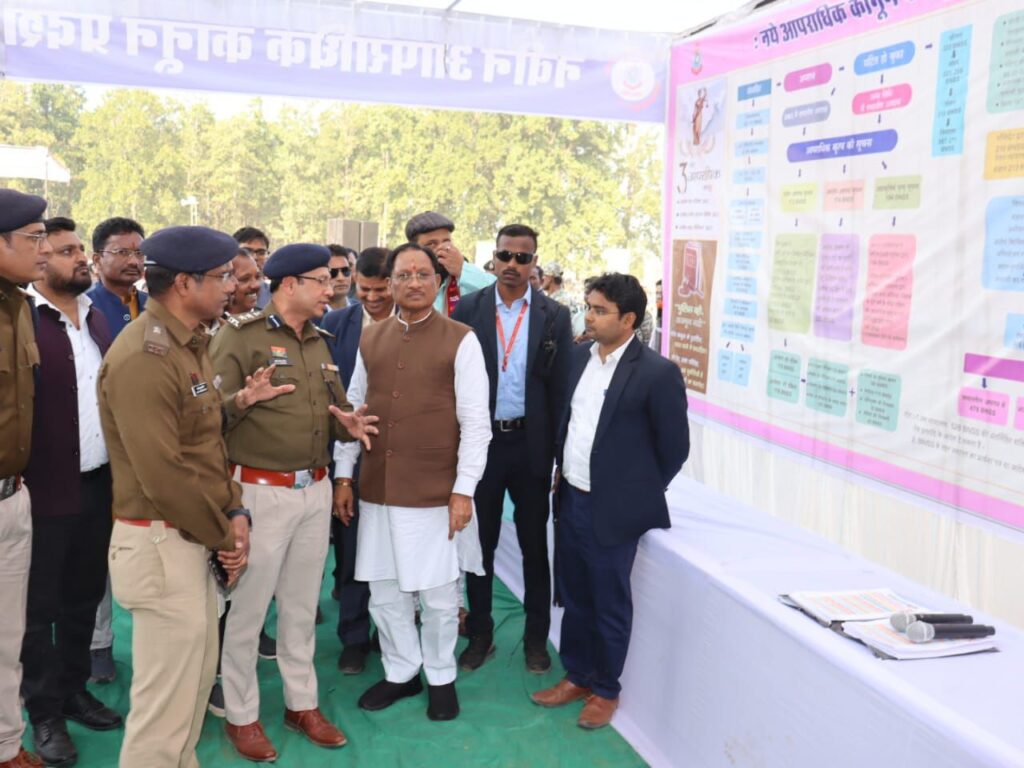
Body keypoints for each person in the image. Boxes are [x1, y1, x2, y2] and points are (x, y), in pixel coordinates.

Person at [98, 225, 272, 768]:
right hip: (163, 540)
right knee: (162, 715)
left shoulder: (190, 343)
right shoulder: (145, 356)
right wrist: (226, 536)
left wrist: (234, 509)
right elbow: (164, 475)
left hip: (191, 536)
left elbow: (206, 445)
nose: (235, 287)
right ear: (184, 283)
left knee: (190, 696)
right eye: (223, 277)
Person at [211, 243, 377, 762]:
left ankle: (300, 704)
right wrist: (243, 399)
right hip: (260, 494)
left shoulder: (320, 341)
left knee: (302, 609)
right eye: (321, 280)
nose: (332, 288)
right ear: (288, 285)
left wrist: (345, 423)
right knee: (248, 611)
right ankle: (241, 714)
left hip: (314, 491)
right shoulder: (240, 338)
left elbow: (329, 410)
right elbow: (204, 418)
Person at [333, 243, 490, 721]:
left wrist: (464, 489)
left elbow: (476, 423)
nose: (414, 282)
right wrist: (344, 476)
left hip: (435, 492)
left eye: (424, 274)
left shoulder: (461, 339)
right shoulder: (371, 338)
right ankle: (401, 671)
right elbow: (353, 412)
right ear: (391, 283)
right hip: (378, 488)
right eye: (404, 275)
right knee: (385, 591)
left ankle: (441, 676)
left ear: (438, 282)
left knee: (439, 596)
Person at [531, 273, 689, 730]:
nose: (589, 317)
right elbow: (570, 423)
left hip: (613, 509)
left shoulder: (657, 373)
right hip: (570, 497)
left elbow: (674, 448)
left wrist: (633, 492)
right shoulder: (578, 358)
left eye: (600, 311)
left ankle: (606, 689)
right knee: (575, 593)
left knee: (608, 601)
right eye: (589, 307)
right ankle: (577, 675)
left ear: (629, 319)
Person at [21, 217, 121, 767]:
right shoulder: (22, 319)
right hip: (41, 490)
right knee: (39, 608)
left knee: (84, 597)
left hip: (97, 484)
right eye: (66, 251)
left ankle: (73, 689)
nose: (80, 257)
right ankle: (43, 712)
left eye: (81, 248)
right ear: (41, 261)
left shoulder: (96, 317)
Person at [452, 224, 572, 674]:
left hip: (531, 445)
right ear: (494, 258)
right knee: (478, 545)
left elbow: (561, 391)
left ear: (534, 262)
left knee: (533, 546)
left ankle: (536, 639)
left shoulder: (554, 315)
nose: (512, 265)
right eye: (505, 255)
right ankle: (480, 634)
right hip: (482, 444)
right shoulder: (469, 308)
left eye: (523, 258)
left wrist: (558, 456)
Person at [321, 246, 392, 675]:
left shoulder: (417, 326)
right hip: (348, 455)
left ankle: (390, 633)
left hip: (400, 460)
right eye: (365, 290)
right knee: (351, 549)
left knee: (395, 552)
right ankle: (353, 636)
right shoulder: (334, 325)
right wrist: (342, 477)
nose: (373, 298)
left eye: (381, 290)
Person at [85, 215, 148, 684]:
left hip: (150, 449)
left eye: (138, 252)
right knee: (96, 551)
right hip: (103, 451)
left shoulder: (153, 305)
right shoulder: (85, 309)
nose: (132, 260)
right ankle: (98, 642)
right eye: (121, 252)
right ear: (97, 258)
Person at [0, 188, 48, 768]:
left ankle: (7, 745)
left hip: (14, 495)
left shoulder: (19, 307)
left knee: (8, 636)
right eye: (33, 238)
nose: (44, 249)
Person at [404, 211, 494, 317]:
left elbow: (501, 293)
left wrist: (462, 269)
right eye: (431, 244)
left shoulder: (465, 279)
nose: (441, 249)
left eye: (446, 241)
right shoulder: (403, 281)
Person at [233, 226, 272, 309]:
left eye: (261, 252)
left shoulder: (276, 297)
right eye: (246, 251)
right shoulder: (222, 297)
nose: (254, 257)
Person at [227, 248, 262, 316]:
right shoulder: (211, 321)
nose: (256, 285)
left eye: (257, 277)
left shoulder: (267, 319)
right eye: (245, 279)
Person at [326, 245, 357, 311]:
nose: (341, 278)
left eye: (345, 270)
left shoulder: (362, 310)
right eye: (333, 272)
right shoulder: (309, 314)